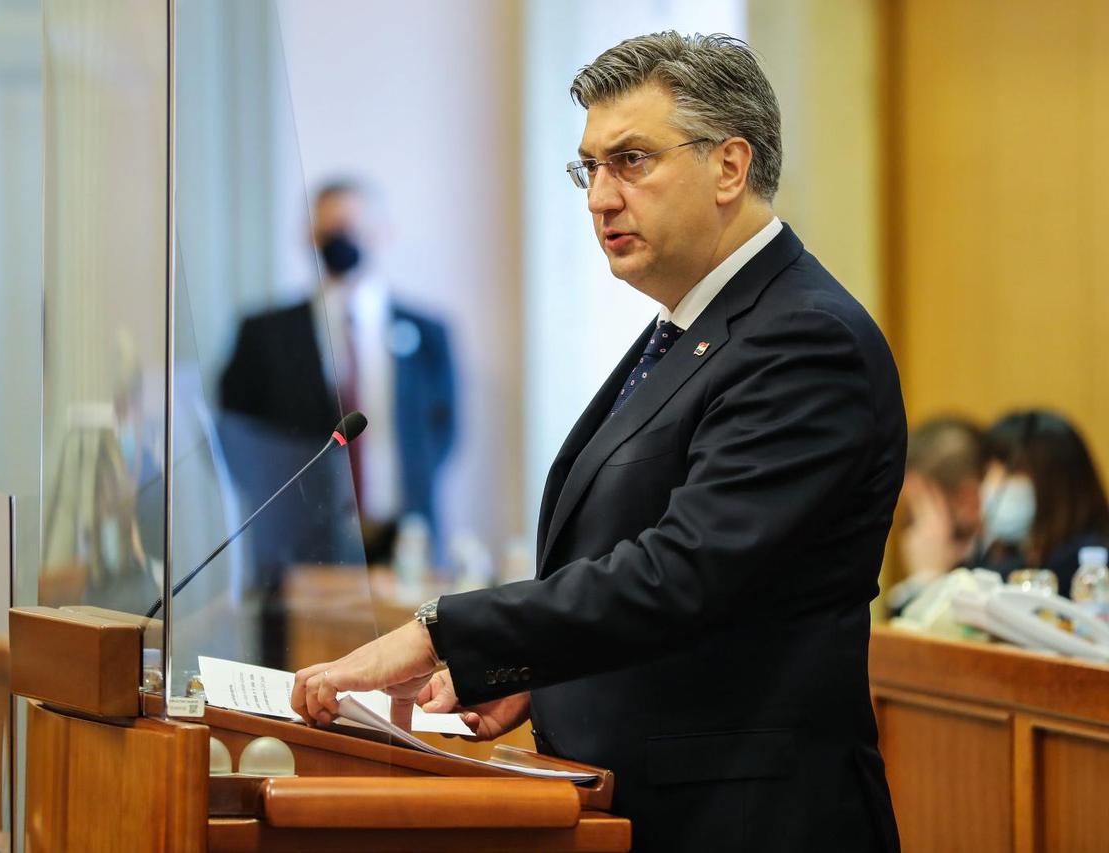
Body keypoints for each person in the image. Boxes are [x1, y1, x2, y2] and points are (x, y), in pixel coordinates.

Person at [291, 32, 904, 852]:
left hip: (751, 819)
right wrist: (539, 677)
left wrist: (439, 631)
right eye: (590, 168)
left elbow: (681, 573)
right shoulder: (693, 327)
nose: (599, 198)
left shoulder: (803, 339)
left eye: (632, 161)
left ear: (730, 166)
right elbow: (643, 571)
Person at [219, 179, 457, 563]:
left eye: (351, 227)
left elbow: (444, 430)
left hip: (404, 539)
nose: (340, 240)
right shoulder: (264, 335)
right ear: (310, 235)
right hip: (299, 543)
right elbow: (236, 435)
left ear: (381, 232)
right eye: (328, 229)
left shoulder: (427, 333)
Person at [971, 409, 1109, 596]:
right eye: (988, 471)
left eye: (1011, 472)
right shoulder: (1005, 556)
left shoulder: (1087, 568)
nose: (992, 485)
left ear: (1056, 483)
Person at [888, 416, 986, 614]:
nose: (909, 533)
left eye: (915, 513)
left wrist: (926, 582)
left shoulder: (998, 570)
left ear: (967, 501)